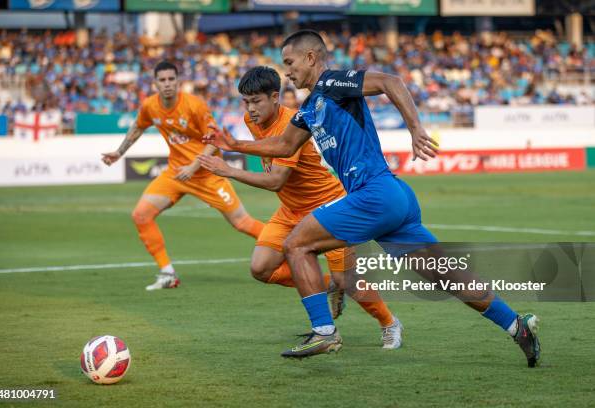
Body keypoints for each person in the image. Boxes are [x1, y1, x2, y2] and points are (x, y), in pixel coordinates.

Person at [204, 30, 540, 366]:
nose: (287, 71)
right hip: (392, 200)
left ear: (311, 57)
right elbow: (283, 146)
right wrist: (234, 145)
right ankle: (516, 326)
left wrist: (415, 128)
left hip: (374, 193)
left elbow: (391, 82)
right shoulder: (308, 108)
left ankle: (324, 331)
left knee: (296, 245)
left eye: (290, 63)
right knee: (447, 277)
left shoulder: (333, 84)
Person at [199, 66, 403, 349]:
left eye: (256, 101)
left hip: (328, 205)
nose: (250, 109)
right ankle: (327, 284)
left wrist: (229, 170)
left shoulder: (290, 123)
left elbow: (275, 180)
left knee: (350, 280)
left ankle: (389, 323)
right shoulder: (251, 120)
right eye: (246, 102)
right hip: (290, 210)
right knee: (261, 268)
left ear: (274, 97)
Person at [102, 61, 264, 291]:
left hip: (207, 174)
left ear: (178, 81)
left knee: (242, 223)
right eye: (162, 80)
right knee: (141, 215)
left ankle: (285, 243)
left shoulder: (194, 105)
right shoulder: (150, 106)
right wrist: (119, 152)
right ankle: (167, 274)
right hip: (176, 173)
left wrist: (194, 166)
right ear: (155, 83)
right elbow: (138, 127)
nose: (167, 84)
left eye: (171, 79)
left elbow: (213, 139)